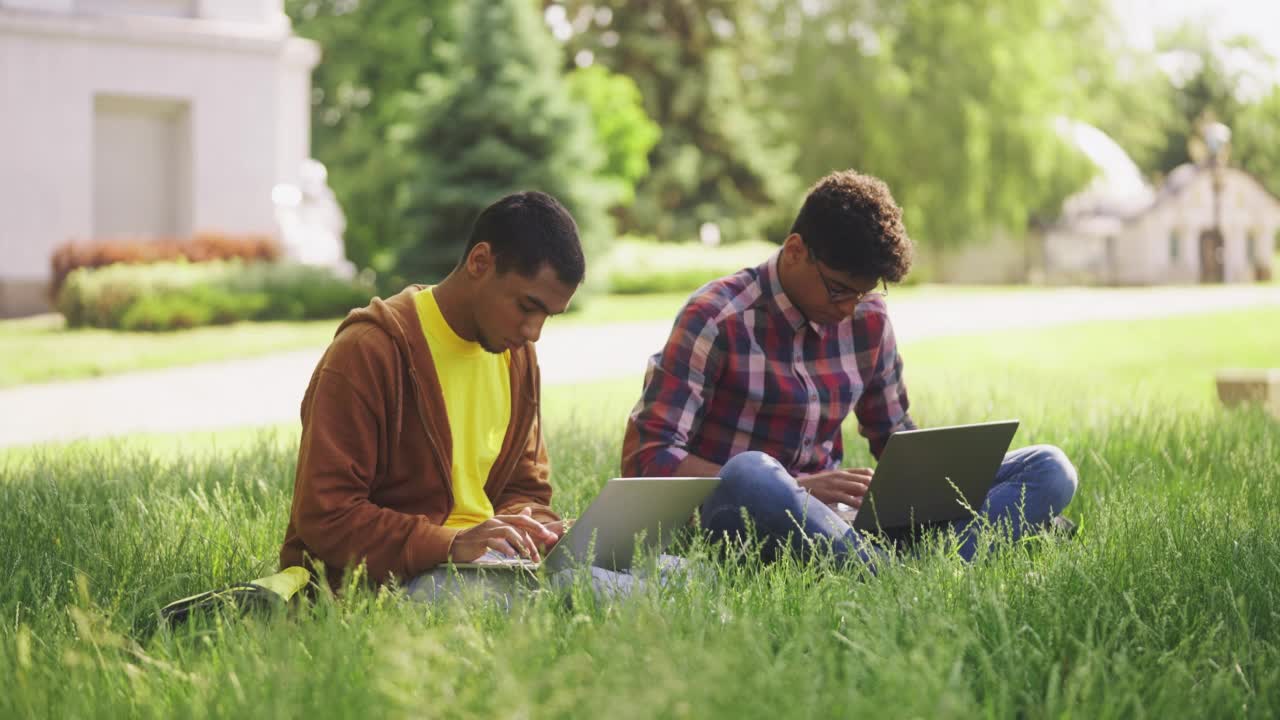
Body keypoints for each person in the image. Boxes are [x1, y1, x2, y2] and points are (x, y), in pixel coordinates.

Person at [621, 170, 1078, 568]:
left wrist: (930, 483)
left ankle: (893, 561)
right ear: (796, 250)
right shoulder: (716, 318)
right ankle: (922, 566)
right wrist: (798, 487)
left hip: (836, 522)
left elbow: (895, 439)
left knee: (1049, 468)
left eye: (864, 293)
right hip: (742, 516)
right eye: (840, 291)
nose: (850, 309)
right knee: (751, 472)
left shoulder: (868, 320)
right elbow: (649, 459)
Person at [280, 191, 604, 601]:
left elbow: (524, 488)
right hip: (390, 581)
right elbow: (326, 516)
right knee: (570, 596)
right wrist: (450, 543)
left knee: (659, 573)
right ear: (480, 262)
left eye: (547, 317)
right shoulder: (368, 351)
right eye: (527, 307)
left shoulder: (515, 356)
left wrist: (533, 529)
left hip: (484, 565)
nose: (533, 331)